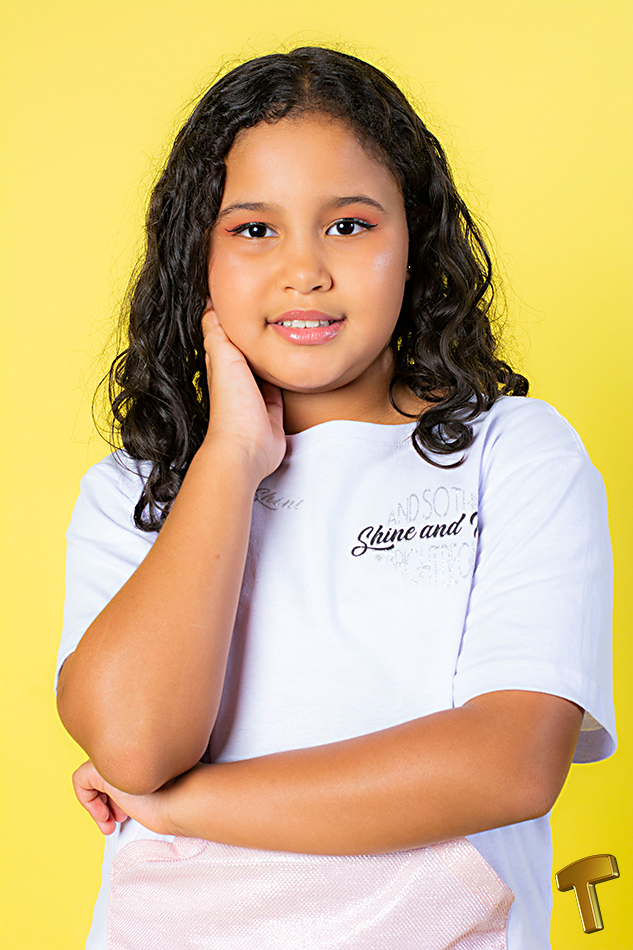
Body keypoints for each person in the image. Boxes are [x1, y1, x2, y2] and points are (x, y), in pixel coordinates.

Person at [56, 46, 615, 950]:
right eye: (253, 229)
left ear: (414, 242)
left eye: (348, 225)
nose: (304, 270)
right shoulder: (132, 491)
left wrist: (179, 805)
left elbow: (508, 765)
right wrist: (232, 457)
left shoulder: (513, 453)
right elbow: (134, 744)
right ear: (197, 256)